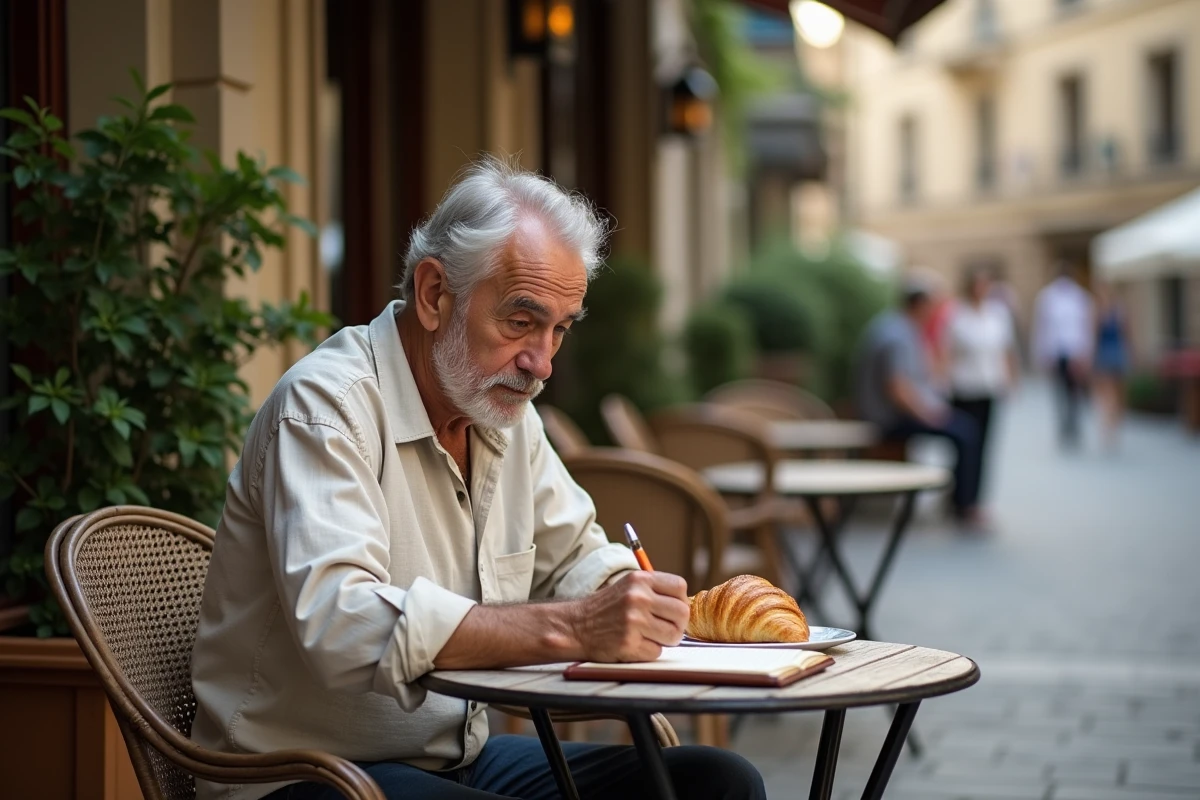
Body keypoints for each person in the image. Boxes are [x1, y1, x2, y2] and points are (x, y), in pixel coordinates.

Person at [190, 159, 765, 800]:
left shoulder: (500, 411)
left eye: (560, 330)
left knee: (716, 782)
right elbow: (341, 624)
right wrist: (575, 627)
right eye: (521, 321)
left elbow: (571, 555)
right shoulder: (327, 407)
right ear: (435, 294)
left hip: (453, 757)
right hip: (305, 774)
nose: (541, 363)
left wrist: (628, 598)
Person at [855, 273, 985, 526]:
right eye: (931, 305)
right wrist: (931, 414)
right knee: (965, 431)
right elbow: (898, 389)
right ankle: (964, 506)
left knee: (962, 427)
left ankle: (960, 501)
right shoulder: (897, 334)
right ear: (919, 305)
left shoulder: (896, 326)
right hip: (888, 420)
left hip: (888, 413)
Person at [942, 267, 1018, 512]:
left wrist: (1011, 379)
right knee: (964, 446)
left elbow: (1006, 349)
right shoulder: (957, 315)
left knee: (983, 446)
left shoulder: (997, 314)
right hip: (964, 388)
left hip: (989, 387)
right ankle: (960, 499)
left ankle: (974, 500)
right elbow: (945, 352)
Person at [1031, 262, 1094, 449]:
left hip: (1074, 351)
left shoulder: (1080, 297)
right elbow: (1042, 328)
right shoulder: (1047, 297)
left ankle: (1073, 427)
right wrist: (1043, 353)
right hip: (1057, 351)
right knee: (1060, 392)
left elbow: (1085, 328)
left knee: (1073, 392)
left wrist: (1084, 354)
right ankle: (1064, 428)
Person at [1092, 282, 1132, 449]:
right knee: (1110, 392)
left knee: (1113, 392)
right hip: (1110, 353)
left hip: (1111, 352)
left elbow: (1127, 333)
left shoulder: (1108, 310)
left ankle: (1110, 422)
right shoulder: (1103, 311)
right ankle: (1109, 423)